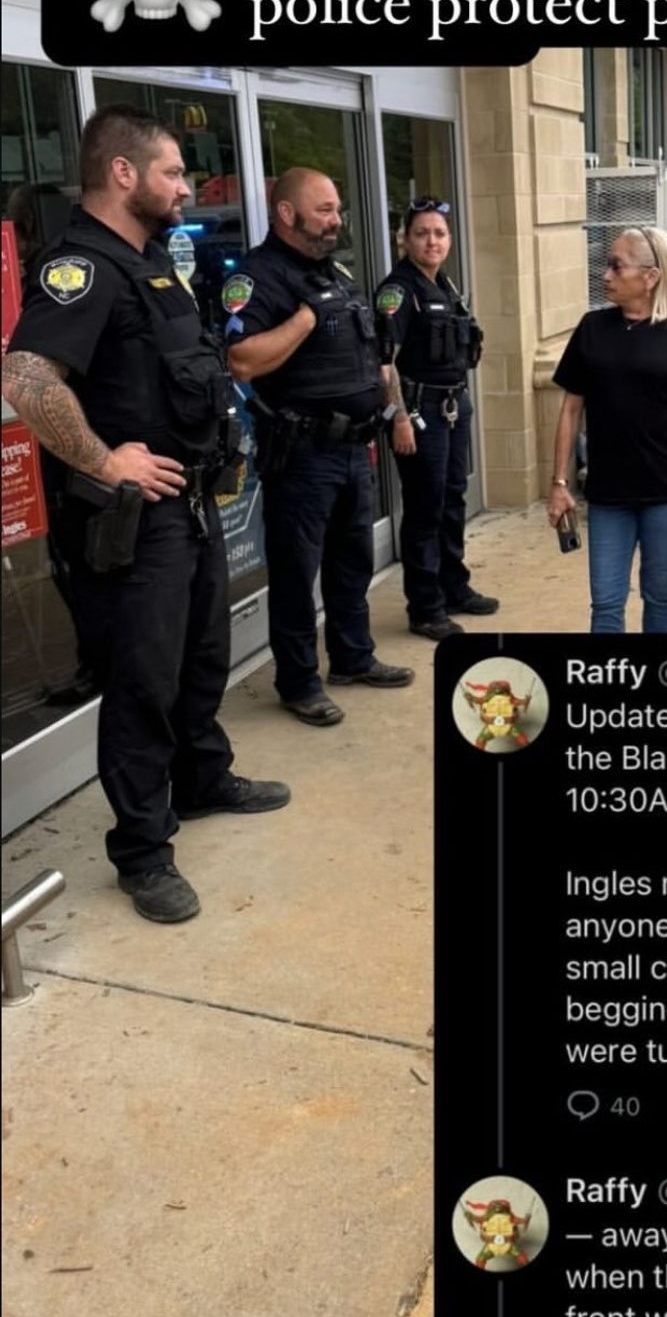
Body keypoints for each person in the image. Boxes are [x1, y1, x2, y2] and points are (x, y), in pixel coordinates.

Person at [1, 106, 289, 925]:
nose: (184, 186)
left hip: (188, 503)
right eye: (170, 172)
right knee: (143, 682)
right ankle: (142, 850)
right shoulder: (81, 268)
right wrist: (103, 459)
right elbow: (26, 379)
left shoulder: (151, 261)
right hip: (132, 518)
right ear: (122, 174)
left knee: (203, 655)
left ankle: (202, 780)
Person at [223, 169, 413, 725]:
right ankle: (298, 680)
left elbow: (373, 353)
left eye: (337, 210)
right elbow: (242, 360)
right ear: (287, 213)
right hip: (302, 454)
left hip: (354, 449)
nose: (336, 220)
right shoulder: (259, 278)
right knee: (295, 574)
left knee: (352, 564)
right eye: (325, 209)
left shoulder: (338, 271)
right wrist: (307, 317)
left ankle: (352, 658)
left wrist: (392, 409)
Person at [546, 227, 667, 633]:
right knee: (605, 605)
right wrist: (559, 484)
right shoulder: (592, 328)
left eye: (615, 266)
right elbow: (570, 411)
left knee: (660, 600)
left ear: (651, 276)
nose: (605, 274)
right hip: (608, 496)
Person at [373, 197, 497, 640]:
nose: (432, 241)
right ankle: (425, 608)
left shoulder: (444, 285)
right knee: (425, 507)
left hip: (452, 406)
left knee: (453, 500)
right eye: (422, 233)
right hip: (420, 411)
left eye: (439, 233)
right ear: (404, 240)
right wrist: (399, 419)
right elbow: (385, 364)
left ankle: (453, 587)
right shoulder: (399, 290)